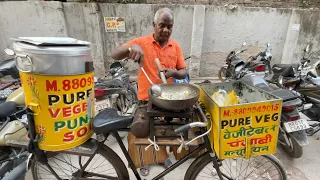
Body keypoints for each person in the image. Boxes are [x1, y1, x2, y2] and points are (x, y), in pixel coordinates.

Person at [111, 8, 187, 176]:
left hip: (169, 100)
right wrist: (131, 48)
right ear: (154, 25)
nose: (166, 30)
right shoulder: (142, 42)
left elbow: (184, 72)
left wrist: (173, 72)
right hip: (147, 100)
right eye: (162, 25)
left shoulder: (176, 47)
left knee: (166, 132)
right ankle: (144, 161)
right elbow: (114, 54)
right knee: (141, 133)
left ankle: (161, 157)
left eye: (170, 26)